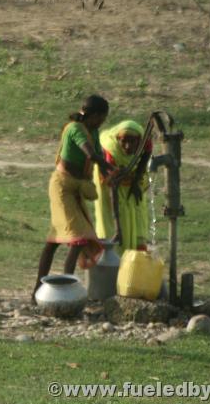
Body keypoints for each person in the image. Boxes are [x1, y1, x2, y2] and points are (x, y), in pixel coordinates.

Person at [32, 95, 115, 303]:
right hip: (62, 186)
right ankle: (60, 291)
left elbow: (99, 154)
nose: (102, 123)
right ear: (94, 115)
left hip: (77, 188)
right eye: (101, 118)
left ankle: (44, 291)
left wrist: (111, 170)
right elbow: (89, 152)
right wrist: (106, 167)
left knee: (63, 239)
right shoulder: (75, 128)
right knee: (77, 236)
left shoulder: (93, 131)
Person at [93, 120, 153, 251]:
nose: (127, 146)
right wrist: (117, 227)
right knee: (115, 225)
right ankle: (116, 259)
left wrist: (136, 180)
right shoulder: (111, 151)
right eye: (124, 141)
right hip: (110, 187)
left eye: (132, 142)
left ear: (139, 141)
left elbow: (147, 153)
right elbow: (112, 185)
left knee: (137, 217)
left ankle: (135, 260)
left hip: (132, 183)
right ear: (117, 139)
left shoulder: (144, 142)